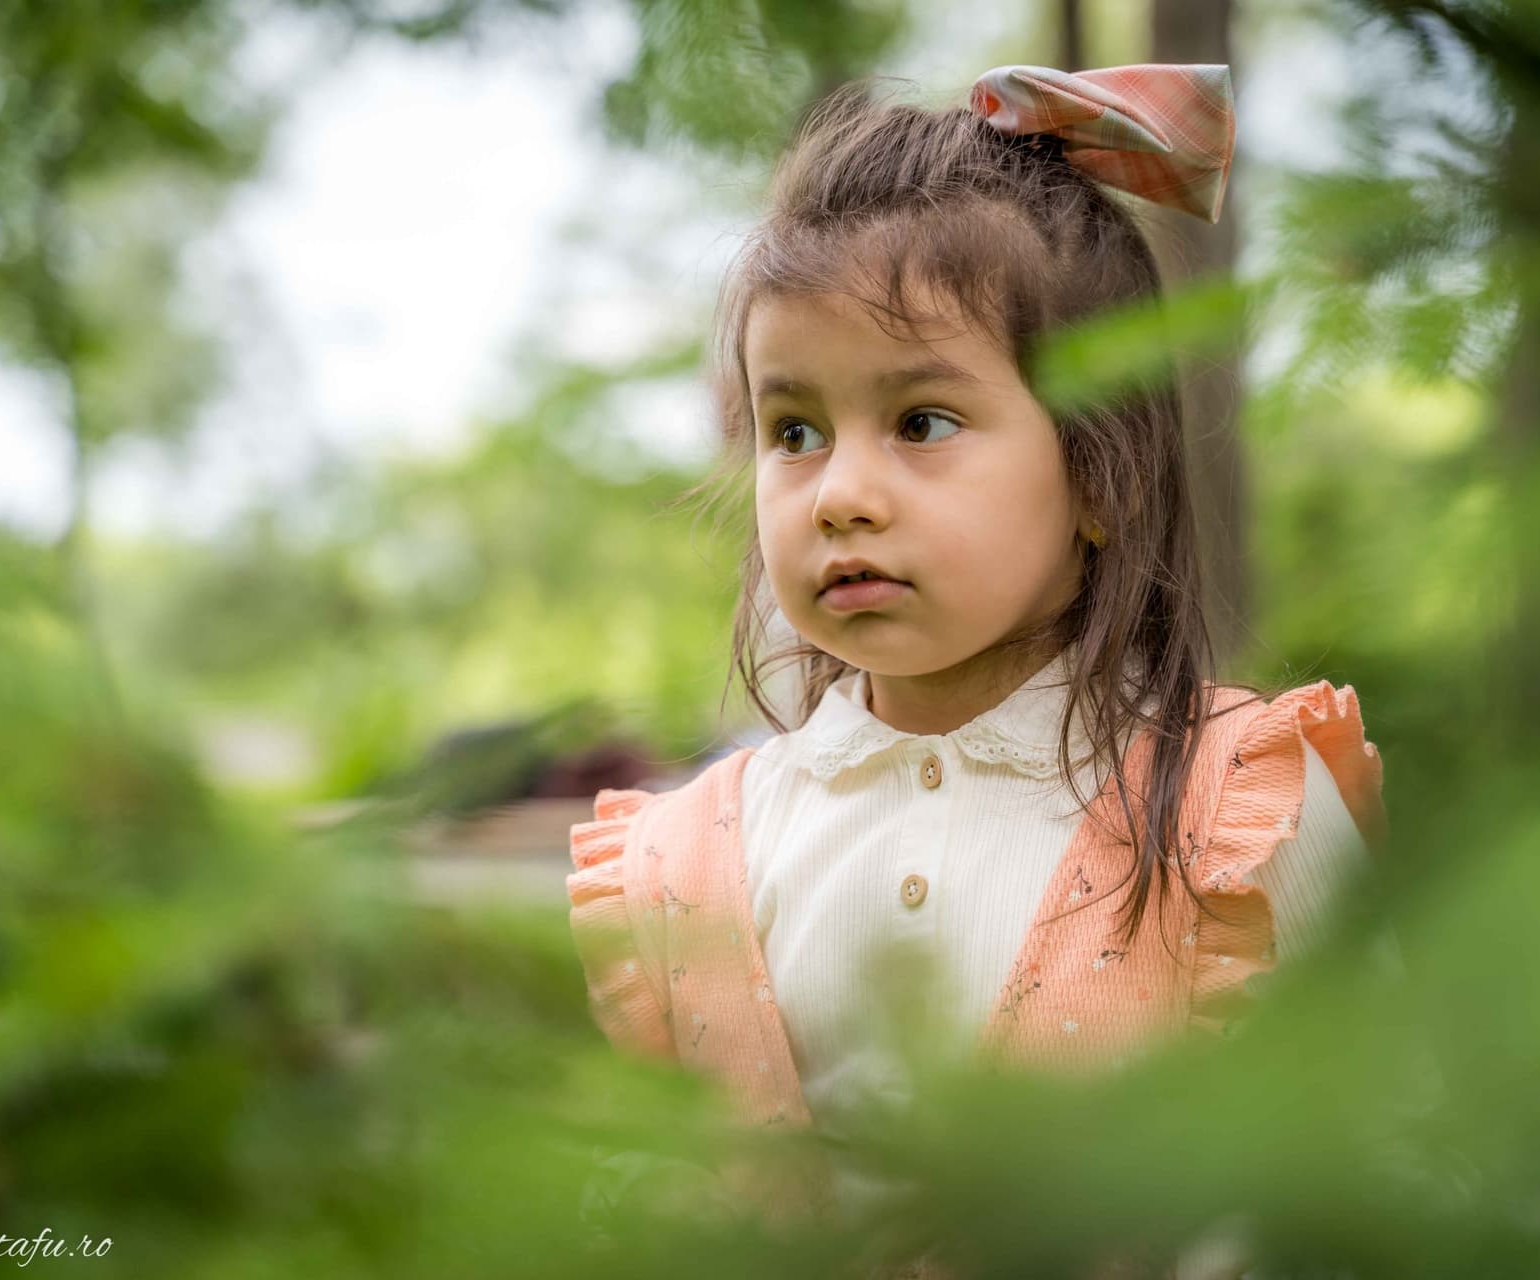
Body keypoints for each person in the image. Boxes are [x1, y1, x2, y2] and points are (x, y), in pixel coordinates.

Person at [564, 61, 1388, 1275]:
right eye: (794, 430)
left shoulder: (1242, 816)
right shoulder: (688, 860)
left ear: (1100, 474)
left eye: (922, 422)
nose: (839, 493)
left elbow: (1361, 1165)